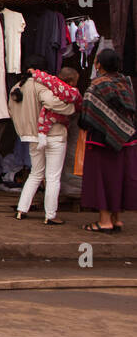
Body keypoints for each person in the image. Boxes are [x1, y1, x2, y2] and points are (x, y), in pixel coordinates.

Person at [8, 55, 76, 225]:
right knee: (52, 177)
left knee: (35, 173)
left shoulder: (16, 87)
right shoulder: (42, 86)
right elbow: (53, 104)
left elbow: (11, 111)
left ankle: (21, 210)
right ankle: (50, 215)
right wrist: (72, 107)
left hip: (32, 137)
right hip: (54, 135)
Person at [78, 49, 136, 232]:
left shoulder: (96, 87)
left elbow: (86, 118)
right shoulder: (126, 83)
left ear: (99, 65)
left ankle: (104, 221)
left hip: (101, 142)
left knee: (102, 179)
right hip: (126, 139)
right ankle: (116, 219)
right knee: (119, 178)